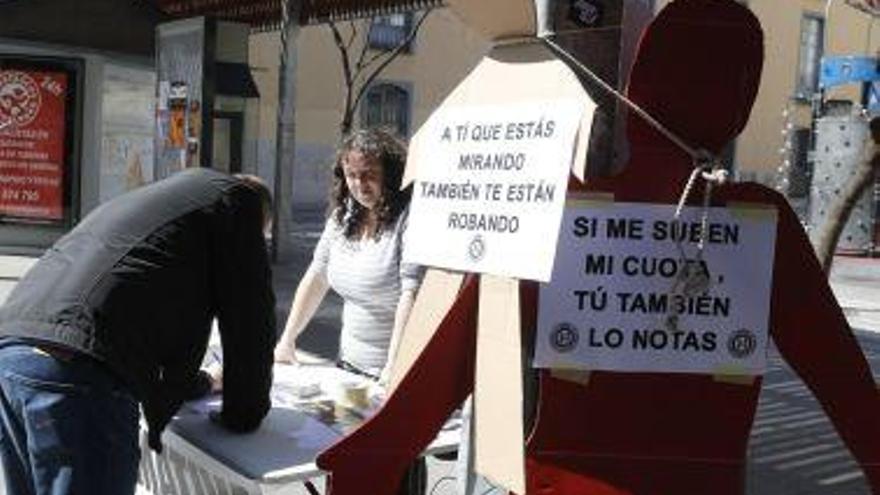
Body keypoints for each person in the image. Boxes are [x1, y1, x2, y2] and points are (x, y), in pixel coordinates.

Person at [0, 168, 276, 495]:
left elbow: (144, 312)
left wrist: (202, 383)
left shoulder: (169, 204)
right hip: (78, 368)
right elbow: (250, 322)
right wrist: (243, 413)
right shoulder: (238, 202)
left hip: (15, 347)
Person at [274, 128, 422, 385]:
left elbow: (411, 295)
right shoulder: (344, 215)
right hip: (348, 366)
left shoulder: (409, 219)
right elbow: (317, 276)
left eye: (369, 175)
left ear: (391, 175)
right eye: (351, 175)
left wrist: (394, 367)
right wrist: (287, 339)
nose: (359, 185)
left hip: (391, 375)